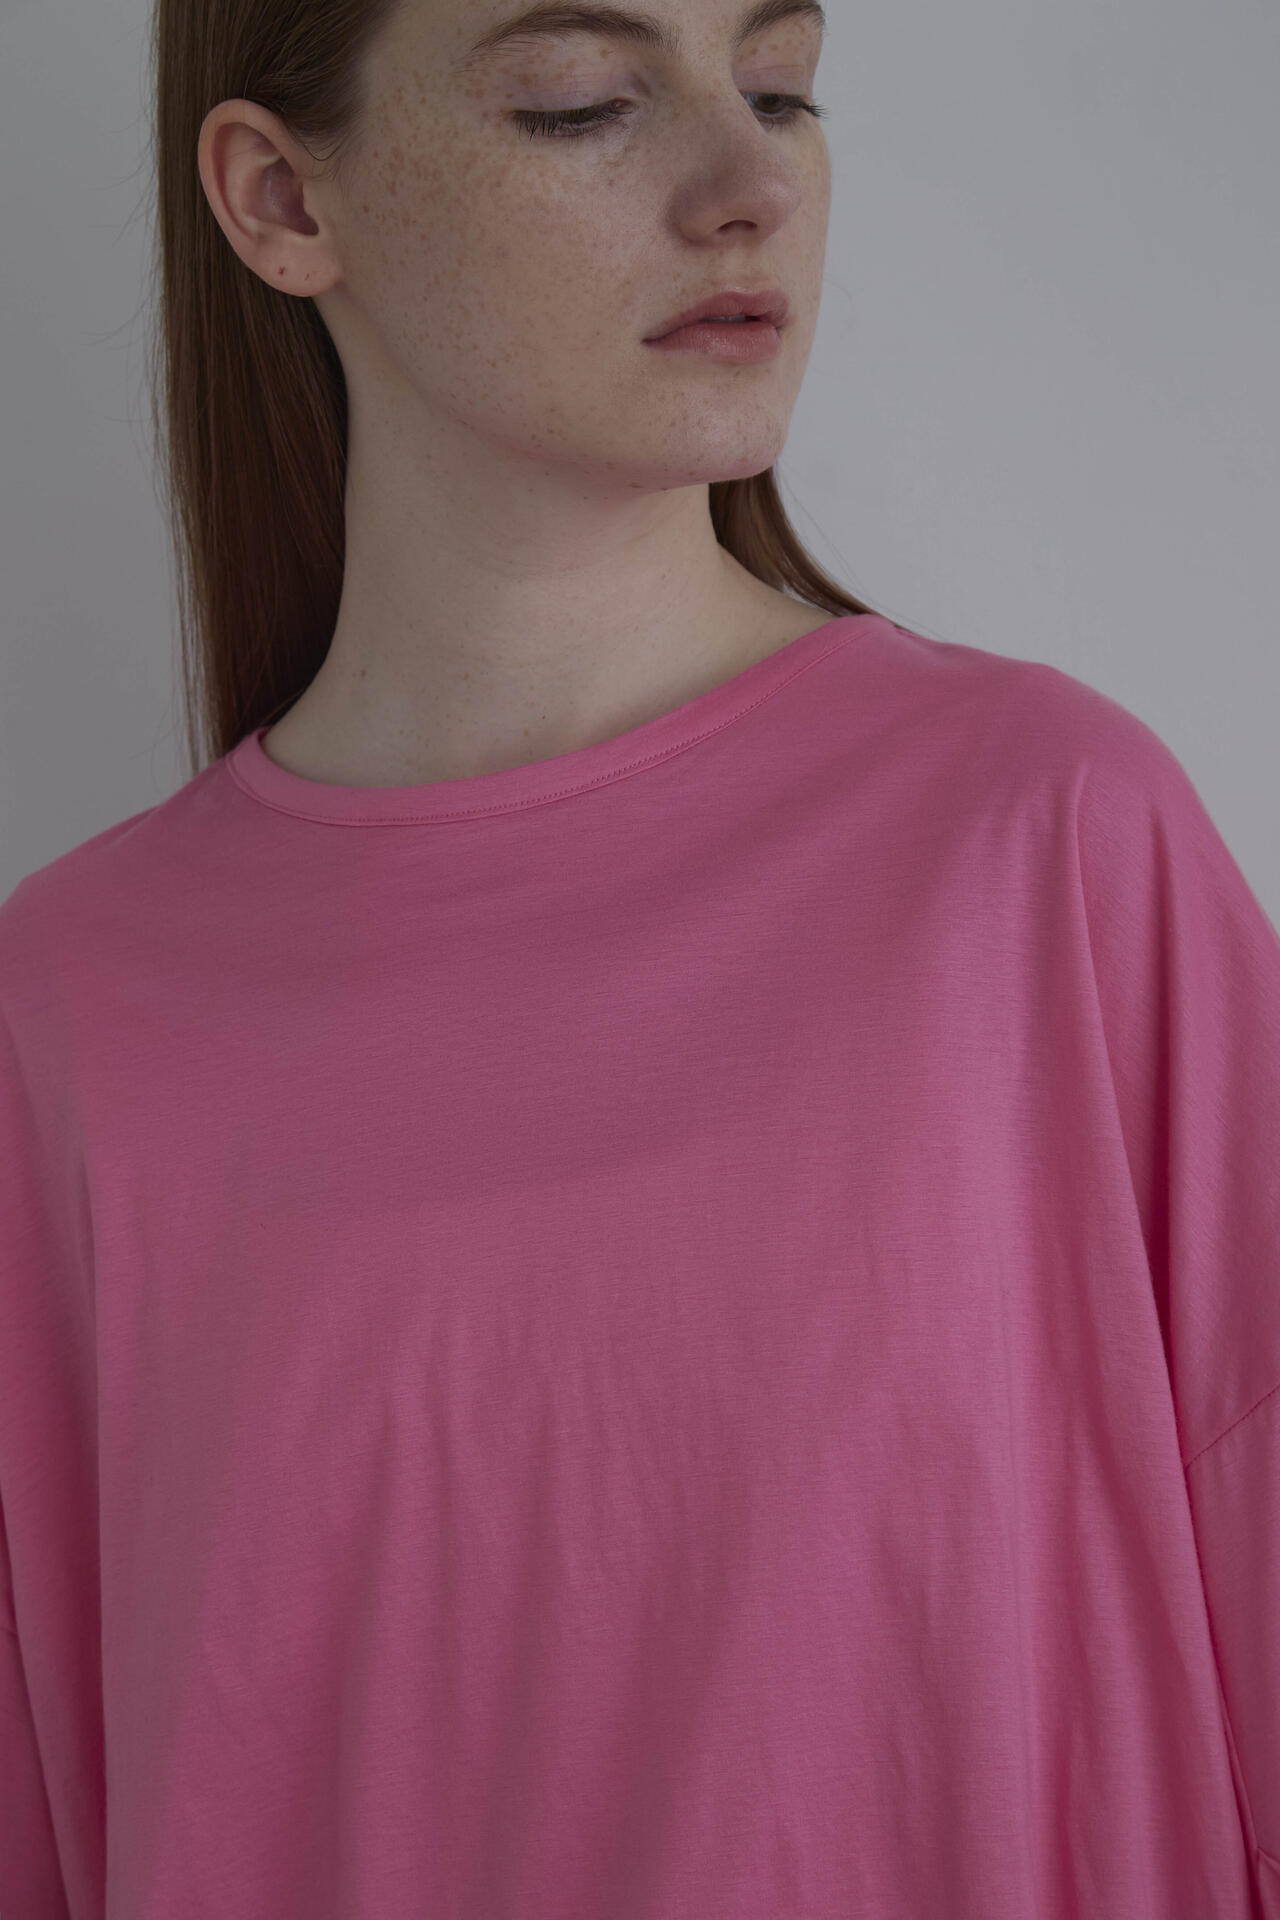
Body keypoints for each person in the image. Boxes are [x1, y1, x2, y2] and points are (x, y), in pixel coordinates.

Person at [1, 2, 1278, 1917]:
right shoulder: (73, 1012)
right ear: (279, 201)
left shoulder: (1043, 846)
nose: (751, 182)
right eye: (583, 102)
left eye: (781, 86)